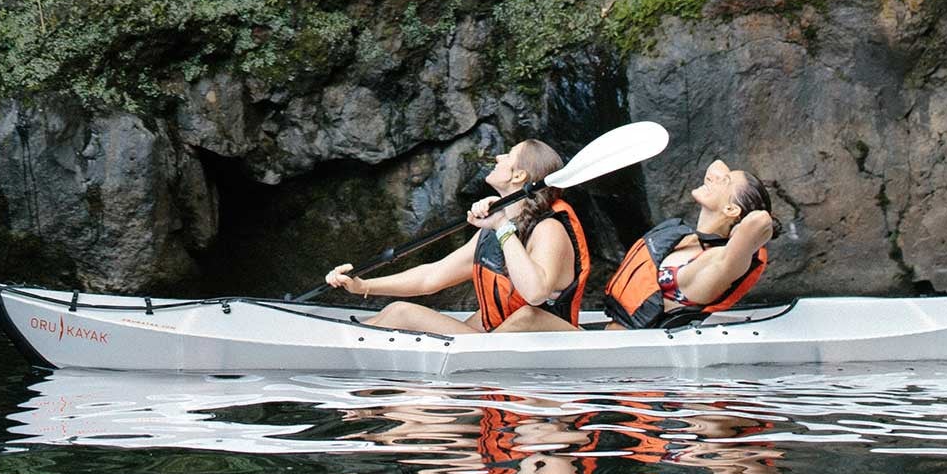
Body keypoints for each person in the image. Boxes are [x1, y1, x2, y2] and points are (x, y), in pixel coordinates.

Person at [323, 138, 590, 335]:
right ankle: (340, 339)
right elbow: (431, 277)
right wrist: (363, 286)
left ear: (519, 175)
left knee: (402, 312)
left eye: (508, 155)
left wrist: (501, 226)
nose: (498, 157)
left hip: (547, 341)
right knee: (394, 312)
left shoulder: (549, 229)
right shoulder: (495, 229)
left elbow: (534, 294)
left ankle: (342, 342)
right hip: (501, 341)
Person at [601, 158, 775, 329]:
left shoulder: (718, 261)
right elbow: (717, 164)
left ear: (731, 209)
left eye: (724, 181)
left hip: (634, 352)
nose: (711, 178)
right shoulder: (687, 240)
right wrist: (725, 183)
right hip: (612, 342)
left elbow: (760, 221)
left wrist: (738, 230)